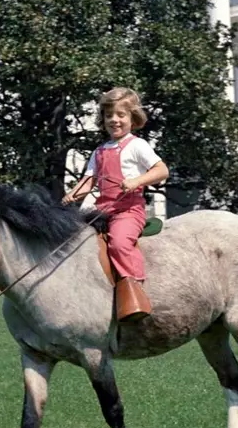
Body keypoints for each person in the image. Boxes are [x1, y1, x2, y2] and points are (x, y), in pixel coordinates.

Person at [62, 87, 169, 322]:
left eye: (121, 115)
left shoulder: (137, 145)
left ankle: (135, 291)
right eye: (110, 115)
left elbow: (162, 170)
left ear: (133, 118)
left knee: (119, 243)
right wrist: (73, 194)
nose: (115, 120)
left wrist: (137, 181)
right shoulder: (100, 150)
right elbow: (89, 179)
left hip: (128, 210)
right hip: (102, 210)